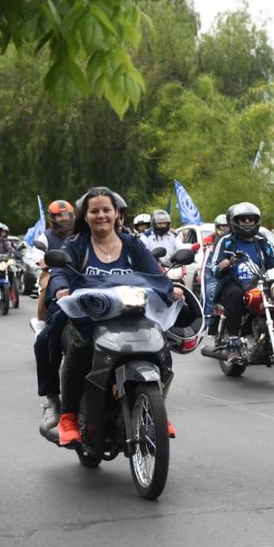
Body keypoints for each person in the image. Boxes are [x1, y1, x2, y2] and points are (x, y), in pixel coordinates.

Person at [48, 187, 180, 446]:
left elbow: (155, 273)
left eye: (106, 210)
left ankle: (157, 411)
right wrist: (60, 289)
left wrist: (169, 288)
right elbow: (59, 272)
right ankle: (69, 417)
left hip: (130, 315)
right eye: (94, 211)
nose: (101, 215)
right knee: (79, 349)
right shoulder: (76, 245)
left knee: (161, 348)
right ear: (85, 216)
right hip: (87, 317)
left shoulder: (132, 244)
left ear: (116, 214)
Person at [206, 202, 274, 364]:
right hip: (233, 283)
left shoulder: (262, 241)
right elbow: (213, 268)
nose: (247, 222)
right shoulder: (226, 241)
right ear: (235, 222)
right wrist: (222, 265)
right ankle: (233, 343)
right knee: (235, 294)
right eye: (243, 219)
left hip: (259, 284)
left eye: (251, 219)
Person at [32, 199, 77, 438]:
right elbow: (57, 269)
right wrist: (60, 288)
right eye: (59, 217)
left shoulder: (124, 240)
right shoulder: (50, 238)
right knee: (44, 339)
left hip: (104, 297)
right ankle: (52, 398)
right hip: (63, 287)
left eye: (67, 215)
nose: (64, 220)